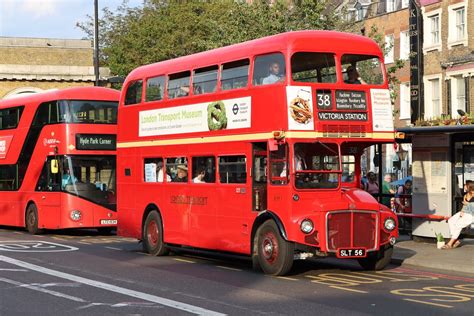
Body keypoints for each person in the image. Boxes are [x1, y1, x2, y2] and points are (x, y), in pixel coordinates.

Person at [443, 182, 474, 249]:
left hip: (471, 214)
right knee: (451, 220)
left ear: (469, 187)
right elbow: (464, 205)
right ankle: (456, 240)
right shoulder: (466, 195)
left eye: (465, 185)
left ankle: (450, 243)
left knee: (458, 225)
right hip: (464, 212)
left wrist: (468, 204)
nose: (464, 187)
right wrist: (462, 212)